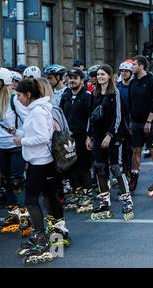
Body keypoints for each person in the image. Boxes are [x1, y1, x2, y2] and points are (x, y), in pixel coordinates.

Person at [14, 79, 69, 265]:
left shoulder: (37, 111)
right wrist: (20, 133)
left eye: (20, 95)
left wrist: (22, 141)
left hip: (40, 162)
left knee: (31, 201)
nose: (18, 99)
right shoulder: (37, 109)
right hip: (40, 161)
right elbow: (36, 133)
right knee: (47, 197)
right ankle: (46, 236)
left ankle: (41, 238)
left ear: (28, 95)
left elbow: (43, 137)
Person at [86, 64, 133, 221]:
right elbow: (90, 117)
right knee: (99, 168)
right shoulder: (94, 93)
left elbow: (118, 116)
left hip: (113, 136)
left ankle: (127, 201)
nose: (100, 77)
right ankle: (104, 201)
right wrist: (88, 136)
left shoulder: (115, 93)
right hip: (97, 136)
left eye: (103, 74)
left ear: (109, 76)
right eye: (98, 74)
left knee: (116, 168)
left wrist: (110, 134)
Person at [0, 68, 30, 236]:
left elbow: (28, 119)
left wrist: (19, 132)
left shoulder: (14, 99)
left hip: (16, 147)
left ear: (0, 82)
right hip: (1, 147)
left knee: (17, 182)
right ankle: (14, 214)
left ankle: (25, 216)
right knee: (5, 182)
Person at [127, 55, 153, 197]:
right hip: (136, 124)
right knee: (136, 151)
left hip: (151, 123)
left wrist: (149, 121)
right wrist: (131, 122)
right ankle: (134, 178)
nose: (132, 67)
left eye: (134, 64)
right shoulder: (133, 82)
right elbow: (131, 103)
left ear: (142, 66)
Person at [60, 69, 93, 214]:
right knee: (70, 167)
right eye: (70, 78)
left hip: (82, 137)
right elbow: (61, 114)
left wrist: (88, 136)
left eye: (75, 78)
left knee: (83, 167)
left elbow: (91, 118)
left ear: (82, 80)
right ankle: (77, 193)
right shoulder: (66, 95)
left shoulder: (87, 96)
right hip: (68, 138)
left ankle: (87, 195)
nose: (72, 80)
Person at [116, 61, 134, 186]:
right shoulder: (117, 86)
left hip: (132, 120)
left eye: (126, 71)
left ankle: (131, 174)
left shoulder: (134, 85)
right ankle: (124, 174)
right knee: (121, 149)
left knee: (130, 149)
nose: (123, 73)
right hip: (120, 119)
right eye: (121, 71)